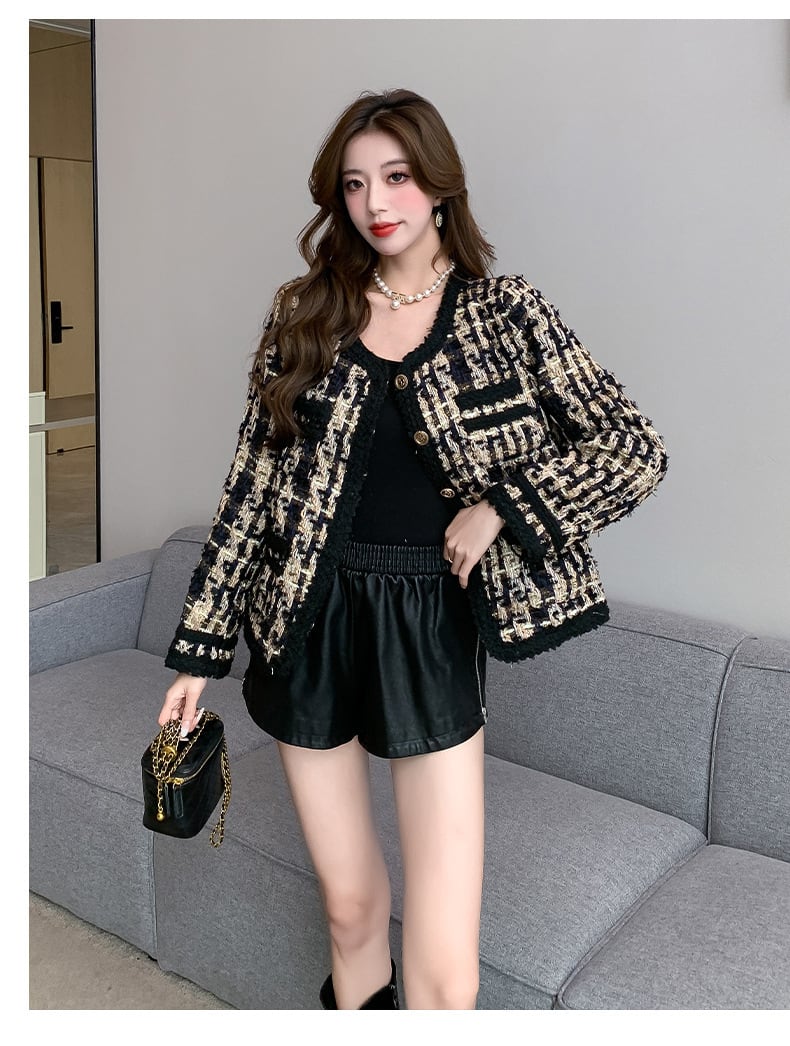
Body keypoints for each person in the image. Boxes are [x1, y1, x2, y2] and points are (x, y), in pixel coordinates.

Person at [158, 88, 669, 1011]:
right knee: (350, 908)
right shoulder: (304, 313)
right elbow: (251, 489)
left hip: (430, 627)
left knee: (441, 954)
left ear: (439, 184)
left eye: (396, 176)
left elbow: (633, 448)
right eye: (355, 184)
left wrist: (505, 506)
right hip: (304, 620)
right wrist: (200, 650)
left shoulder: (506, 314)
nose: (375, 202)